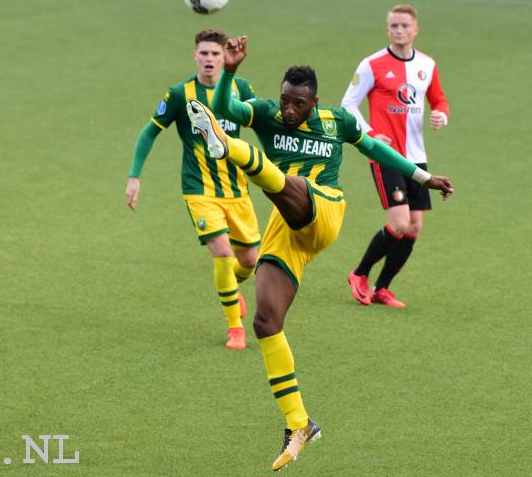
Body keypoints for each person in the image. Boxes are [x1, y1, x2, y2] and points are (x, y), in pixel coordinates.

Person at [185, 35, 453, 471]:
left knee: (294, 184)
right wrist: (230, 72)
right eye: (286, 101)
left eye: (298, 104)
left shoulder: (337, 121)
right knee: (266, 320)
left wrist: (422, 177)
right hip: (285, 229)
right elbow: (223, 111)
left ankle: (229, 149)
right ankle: (299, 423)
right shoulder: (268, 114)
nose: (289, 110)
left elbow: (377, 149)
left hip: (323, 207)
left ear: (315, 102)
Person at [125, 29, 260, 349]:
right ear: (194, 56)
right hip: (198, 190)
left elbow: (262, 120)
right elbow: (149, 133)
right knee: (224, 255)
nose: (210, 59)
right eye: (204, 54)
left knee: (249, 260)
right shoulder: (179, 94)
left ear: (223, 55)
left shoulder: (239, 87)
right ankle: (234, 329)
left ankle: (232, 288)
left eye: (215, 54)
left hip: (236, 189)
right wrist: (134, 176)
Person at [342, 4, 450, 308]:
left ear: (415, 29)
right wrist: (370, 133)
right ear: (387, 29)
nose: (399, 30)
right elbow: (348, 104)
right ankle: (359, 274)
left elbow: (438, 98)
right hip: (386, 155)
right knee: (400, 222)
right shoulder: (372, 64)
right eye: (394, 26)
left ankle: (382, 288)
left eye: (404, 26)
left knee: (414, 226)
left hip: (416, 156)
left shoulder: (427, 64)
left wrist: (441, 114)